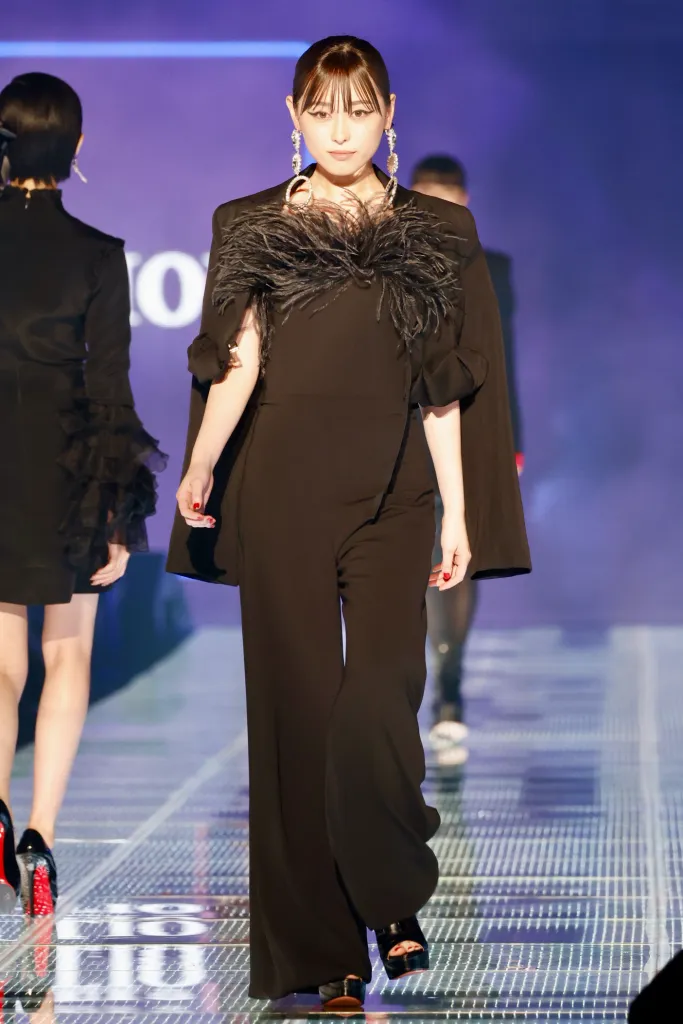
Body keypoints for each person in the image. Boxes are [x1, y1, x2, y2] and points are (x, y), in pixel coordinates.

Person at [167, 35, 530, 1009]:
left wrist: (458, 511)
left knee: (375, 700)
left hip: (394, 493)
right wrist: (200, 463)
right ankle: (322, 956)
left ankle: (389, 891)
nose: (339, 131)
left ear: (389, 115)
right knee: (296, 715)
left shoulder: (434, 231)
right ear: (293, 116)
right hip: (279, 490)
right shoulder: (248, 222)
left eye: (358, 110)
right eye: (321, 111)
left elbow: (441, 384)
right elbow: (236, 359)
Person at [0, 73, 165, 917]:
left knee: (1, 664)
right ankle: (39, 836)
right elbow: (110, 392)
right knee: (66, 655)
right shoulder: (99, 255)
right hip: (67, 469)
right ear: (77, 148)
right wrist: (118, 514)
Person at [411, 155, 524, 752]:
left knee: (454, 558)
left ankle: (449, 688)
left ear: (466, 204)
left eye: (447, 205)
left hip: (471, 427)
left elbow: (502, 361)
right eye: (425, 203)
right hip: (397, 426)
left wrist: (512, 440)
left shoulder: (490, 267)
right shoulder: (388, 261)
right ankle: (406, 691)